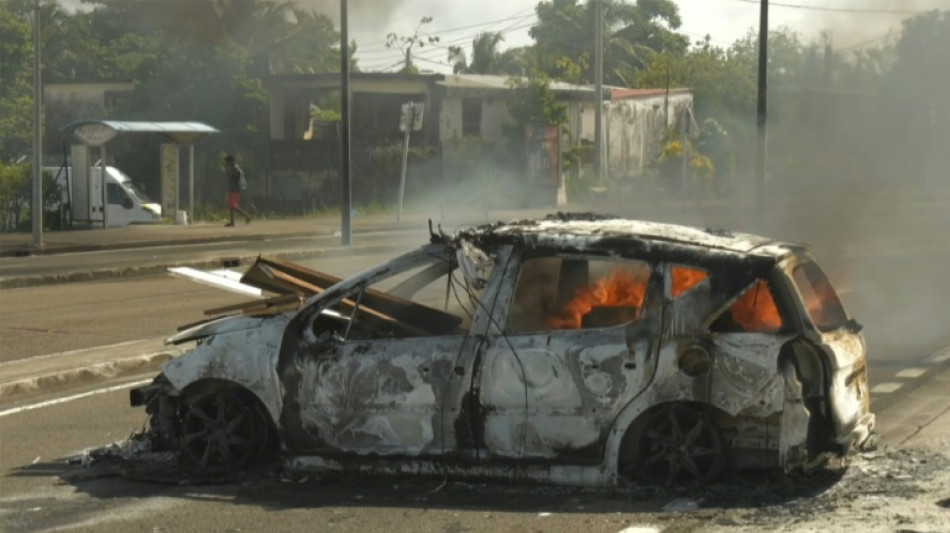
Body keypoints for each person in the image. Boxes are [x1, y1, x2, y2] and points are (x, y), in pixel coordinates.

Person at [224, 154, 251, 226]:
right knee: (231, 206)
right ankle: (232, 222)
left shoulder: (235, 168)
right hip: (232, 189)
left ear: (231, 161)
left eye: (227, 161)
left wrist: (231, 172)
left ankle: (247, 216)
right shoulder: (231, 168)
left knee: (233, 205)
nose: (226, 162)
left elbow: (236, 176)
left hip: (235, 189)